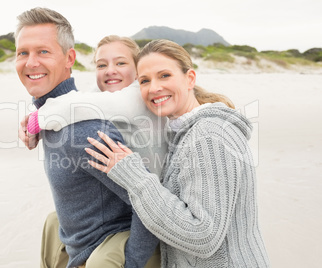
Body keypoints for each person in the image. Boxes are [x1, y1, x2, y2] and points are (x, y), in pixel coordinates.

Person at [85, 39, 270, 267]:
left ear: (190, 78)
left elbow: (203, 236)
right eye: (145, 80)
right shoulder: (181, 133)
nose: (154, 88)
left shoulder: (208, 136)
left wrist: (135, 177)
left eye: (164, 76)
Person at [15, 7, 159, 268]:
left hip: (114, 248)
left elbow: (147, 202)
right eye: (23, 53)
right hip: (84, 242)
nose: (31, 62)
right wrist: (37, 119)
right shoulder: (61, 115)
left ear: (69, 58)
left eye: (43, 51)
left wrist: (132, 262)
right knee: (52, 222)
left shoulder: (84, 128)